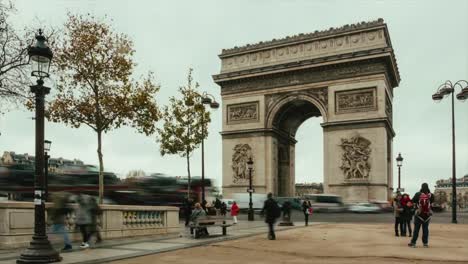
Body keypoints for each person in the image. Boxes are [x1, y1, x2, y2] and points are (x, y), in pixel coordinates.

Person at [408, 183, 434, 248]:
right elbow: (432, 204)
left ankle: (413, 242)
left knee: (416, 229)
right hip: (427, 215)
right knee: (425, 229)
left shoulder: (418, 194)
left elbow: (412, 202)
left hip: (419, 214)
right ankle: (425, 243)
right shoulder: (431, 195)